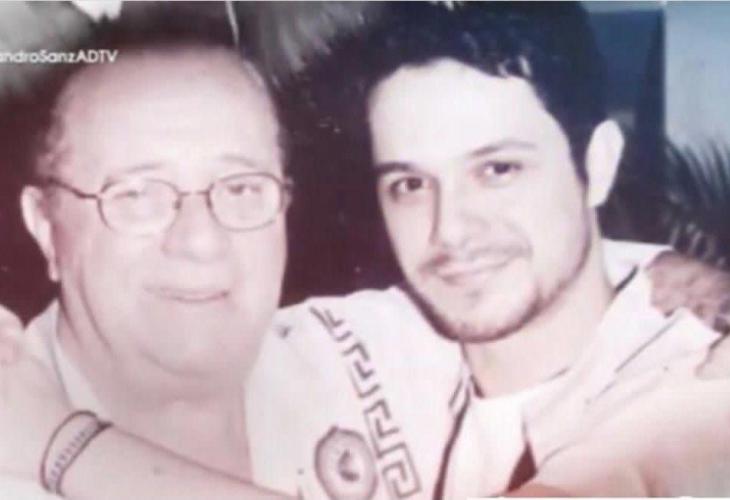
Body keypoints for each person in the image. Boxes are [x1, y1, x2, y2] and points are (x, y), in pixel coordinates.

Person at [1, 3, 730, 500]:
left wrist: (62, 445)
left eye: (498, 169)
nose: (451, 230)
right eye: (409, 184)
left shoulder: (699, 391)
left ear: (598, 164)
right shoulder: (372, 340)